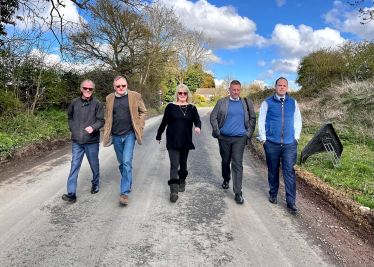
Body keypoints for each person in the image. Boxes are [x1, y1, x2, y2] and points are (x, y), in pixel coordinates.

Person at [258, 77, 302, 212]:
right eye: (279, 85)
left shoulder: (293, 103)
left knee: (289, 171)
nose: (282, 87)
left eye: (284, 85)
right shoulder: (267, 103)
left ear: (287, 87)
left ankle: (291, 202)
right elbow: (261, 121)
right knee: (273, 169)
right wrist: (264, 139)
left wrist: (296, 138)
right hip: (272, 143)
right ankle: (273, 194)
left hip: (289, 144)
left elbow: (297, 121)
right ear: (275, 87)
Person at [103, 76, 147, 206]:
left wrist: (140, 126)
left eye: (123, 85)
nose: (121, 88)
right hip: (116, 135)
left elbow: (143, 111)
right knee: (122, 163)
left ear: (127, 85)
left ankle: (125, 193)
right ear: (114, 87)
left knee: (127, 161)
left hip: (130, 134)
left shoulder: (135, 96)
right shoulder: (109, 98)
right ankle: (128, 182)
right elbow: (109, 116)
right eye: (118, 86)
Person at [210, 80, 256, 204]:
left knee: (237, 164)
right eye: (233, 89)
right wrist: (218, 132)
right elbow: (213, 117)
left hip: (239, 139)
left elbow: (253, 118)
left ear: (240, 90)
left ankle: (238, 192)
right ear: (229, 90)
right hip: (224, 138)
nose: (236, 92)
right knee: (225, 161)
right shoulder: (221, 102)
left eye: (238, 90)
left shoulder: (247, 103)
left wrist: (248, 134)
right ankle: (226, 179)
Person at [156, 84, 201, 202]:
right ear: (177, 94)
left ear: (187, 95)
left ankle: (182, 180)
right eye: (180, 93)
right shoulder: (170, 107)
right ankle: (173, 191)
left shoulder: (192, 107)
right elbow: (164, 122)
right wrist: (159, 134)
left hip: (186, 139)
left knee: (183, 164)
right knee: (174, 164)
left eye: (184, 93)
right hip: (172, 139)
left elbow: (197, 120)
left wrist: (198, 127)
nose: (182, 95)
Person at [62, 79, 105, 203]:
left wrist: (93, 127)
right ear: (81, 89)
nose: (87, 90)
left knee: (94, 165)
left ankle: (95, 183)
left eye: (90, 89)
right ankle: (71, 193)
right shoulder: (74, 102)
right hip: (77, 141)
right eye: (85, 88)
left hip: (91, 141)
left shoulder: (97, 104)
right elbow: (70, 116)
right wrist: (72, 128)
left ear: (93, 90)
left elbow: (101, 120)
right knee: (74, 166)